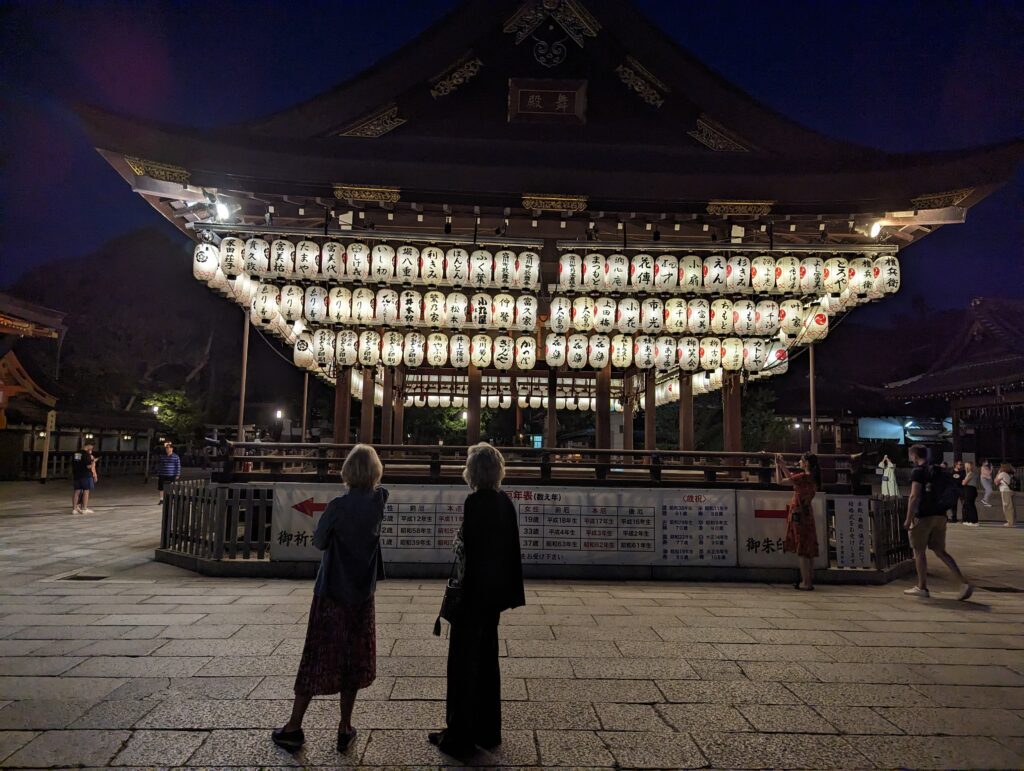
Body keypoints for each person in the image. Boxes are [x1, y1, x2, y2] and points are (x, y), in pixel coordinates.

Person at [272, 444, 387, 754]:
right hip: (363, 593)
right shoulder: (379, 502)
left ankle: (295, 725)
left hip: (333, 590)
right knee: (353, 657)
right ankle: (344, 725)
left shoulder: (338, 507)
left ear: (347, 471)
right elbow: (379, 490)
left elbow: (320, 540)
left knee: (318, 655)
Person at [429, 443, 525, 759]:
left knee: (463, 664)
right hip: (495, 595)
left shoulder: (474, 504)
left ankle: (460, 733)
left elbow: (466, 554)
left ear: (473, 472)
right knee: (487, 662)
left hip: (472, 596)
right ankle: (488, 728)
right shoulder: (505, 503)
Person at [903, 444, 973, 600]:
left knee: (919, 551)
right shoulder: (938, 471)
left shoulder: (918, 472)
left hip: (924, 515)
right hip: (941, 515)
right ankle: (963, 582)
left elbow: (914, 496)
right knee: (940, 551)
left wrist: (908, 519)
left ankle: (922, 587)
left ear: (914, 455)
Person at [775, 452, 821, 591]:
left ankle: (805, 583)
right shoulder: (814, 478)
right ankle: (809, 580)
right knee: (809, 547)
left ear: (806, 463)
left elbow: (781, 481)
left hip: (798, 513)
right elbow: (789, 478)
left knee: (802, 548)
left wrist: (779, 466)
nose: (800, 462)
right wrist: (781, 466)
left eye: (801, 460)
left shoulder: (803, 477)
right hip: (808, 514)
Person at [71, 441, 98, 514]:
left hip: (77, 475)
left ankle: (74, 509)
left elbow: (76, 464)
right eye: (92, 446)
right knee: (86, 491)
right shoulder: (87, 454)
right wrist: (93, 461)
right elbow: (88, 466)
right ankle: (84, 508)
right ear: (89, 445)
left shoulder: (77, 453)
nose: (92, 448)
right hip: (86, 475)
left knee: (77, 491)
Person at [961, 461, 980, 526]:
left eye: (966, 466)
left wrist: (963, 480)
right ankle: (969, 520)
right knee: (968, 505)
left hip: (970, 489)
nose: (965, 467)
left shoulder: (970, 474)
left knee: (970, 505)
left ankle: (974, 521)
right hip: (971, 489)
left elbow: (963, 483)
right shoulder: (972, 473)